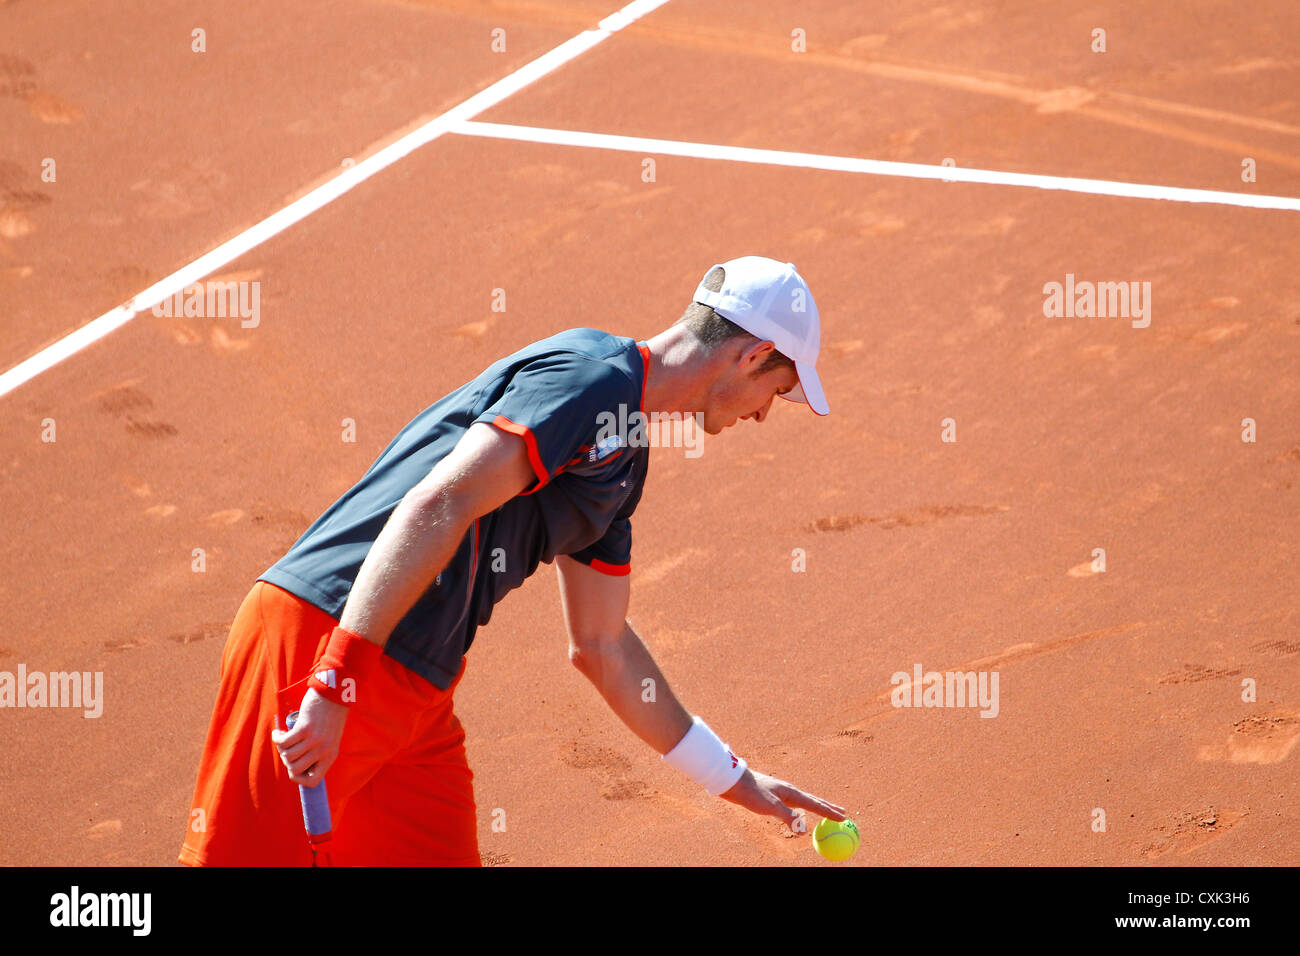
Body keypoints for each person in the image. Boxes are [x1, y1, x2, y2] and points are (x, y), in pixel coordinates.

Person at [179, 255, 845, 866]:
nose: (765, 416)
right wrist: (334, 679)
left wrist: (733, 777)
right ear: (755, 354)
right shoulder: (590, 377)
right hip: (325, 636)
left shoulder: (623, 459)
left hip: (415, 684)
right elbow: (441, 500)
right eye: (780, 392)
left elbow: (602, 647)